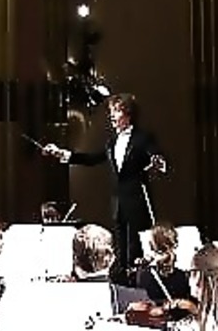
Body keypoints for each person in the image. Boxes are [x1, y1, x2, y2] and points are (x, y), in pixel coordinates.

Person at [43, 93, 166, 272]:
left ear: (128, 114)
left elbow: (155, 155)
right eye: (111, 111)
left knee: (137, 246)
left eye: (116, 111)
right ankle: (123, 279)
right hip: (118, 202)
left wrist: (158, 162)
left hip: (137, 200)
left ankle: (140, 279)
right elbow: (92, 159)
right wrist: (63, 154)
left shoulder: (143, 138)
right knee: (121, 246)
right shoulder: (112, 142)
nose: (112, 116)